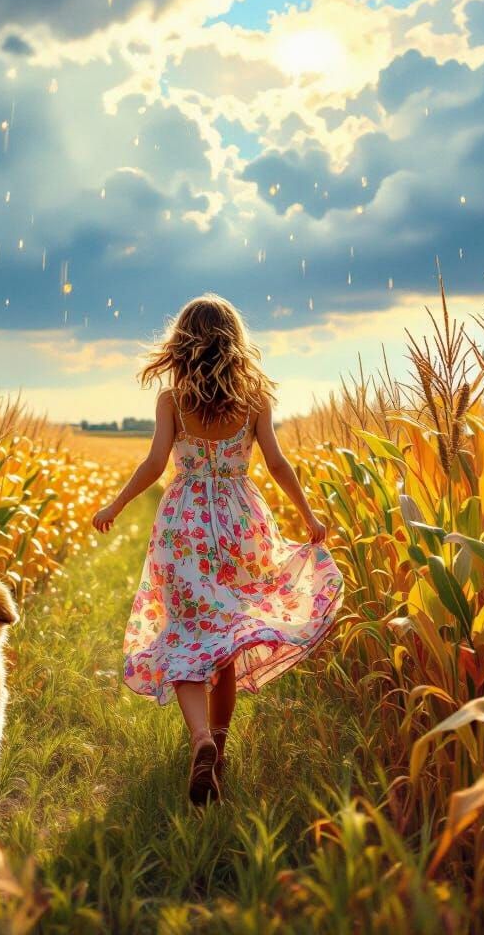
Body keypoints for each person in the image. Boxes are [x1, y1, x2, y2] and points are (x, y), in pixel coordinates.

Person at [92, 293, 344, 805]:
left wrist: (115, 504)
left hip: (183, 526)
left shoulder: (172, 400)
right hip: (240, 525)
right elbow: (277, 464)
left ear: (182, 343)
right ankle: (220, 747)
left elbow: (155, 464)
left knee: (186, 632)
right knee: (226, 638)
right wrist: (308, 515)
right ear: (235, 342)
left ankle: (200, 739)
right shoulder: (255, 400)